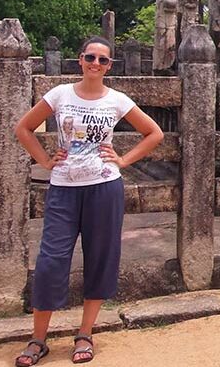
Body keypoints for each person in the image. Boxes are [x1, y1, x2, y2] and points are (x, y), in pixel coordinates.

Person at [13, 36, 163, 365]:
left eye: (103, 60)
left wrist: (123, 160)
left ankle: (85, 333)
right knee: (51, 261)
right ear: (80, 60)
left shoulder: (116, 100)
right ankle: (38, 339)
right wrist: (43, 160)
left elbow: (154, 133)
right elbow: (24, 128)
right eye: (90, 57)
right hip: (64, 188)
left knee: (100, 258)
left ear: (109, 66)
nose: (96, 64)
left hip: (104, 187)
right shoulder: (60, 94)